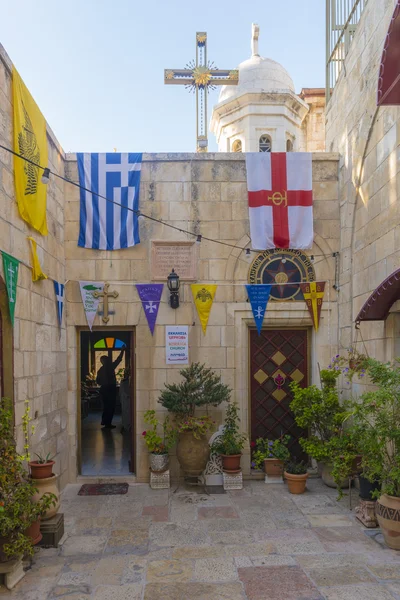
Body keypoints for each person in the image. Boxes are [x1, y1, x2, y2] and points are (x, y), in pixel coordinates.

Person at [96, 350, 125, 429]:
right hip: (110, 388)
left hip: (104, 389)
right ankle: (107, 423)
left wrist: (103, 382)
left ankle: (105, 422)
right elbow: (118, 359)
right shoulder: (111, 367)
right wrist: (122, 351)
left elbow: (97, 381)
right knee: (110, 406)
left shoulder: (100, 370)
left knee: (106, 406)